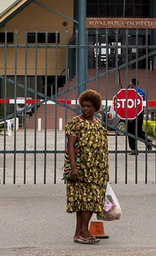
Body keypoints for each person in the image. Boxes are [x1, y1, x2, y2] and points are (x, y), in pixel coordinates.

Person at [64, 90, 109, 245]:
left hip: (97, 170)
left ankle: (78, 234)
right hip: (82, 169)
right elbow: (70, 145)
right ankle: (84, 231)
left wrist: (105, 171)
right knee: (84, 200)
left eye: (89, 106)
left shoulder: (98, 124)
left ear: (95, 107)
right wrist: (74, 167)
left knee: (89, 200)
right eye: (83, 106)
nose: (85, 109)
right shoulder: (75, 123)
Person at [127, 78, 148, 155]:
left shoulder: (130, 92)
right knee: (138, 132)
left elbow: (130, 104)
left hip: (133, 114)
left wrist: (130, 116)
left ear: (132, 83)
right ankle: (148, 142)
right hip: (140, 113)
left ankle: (134, 149)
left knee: (131, 132)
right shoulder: (142, 92)